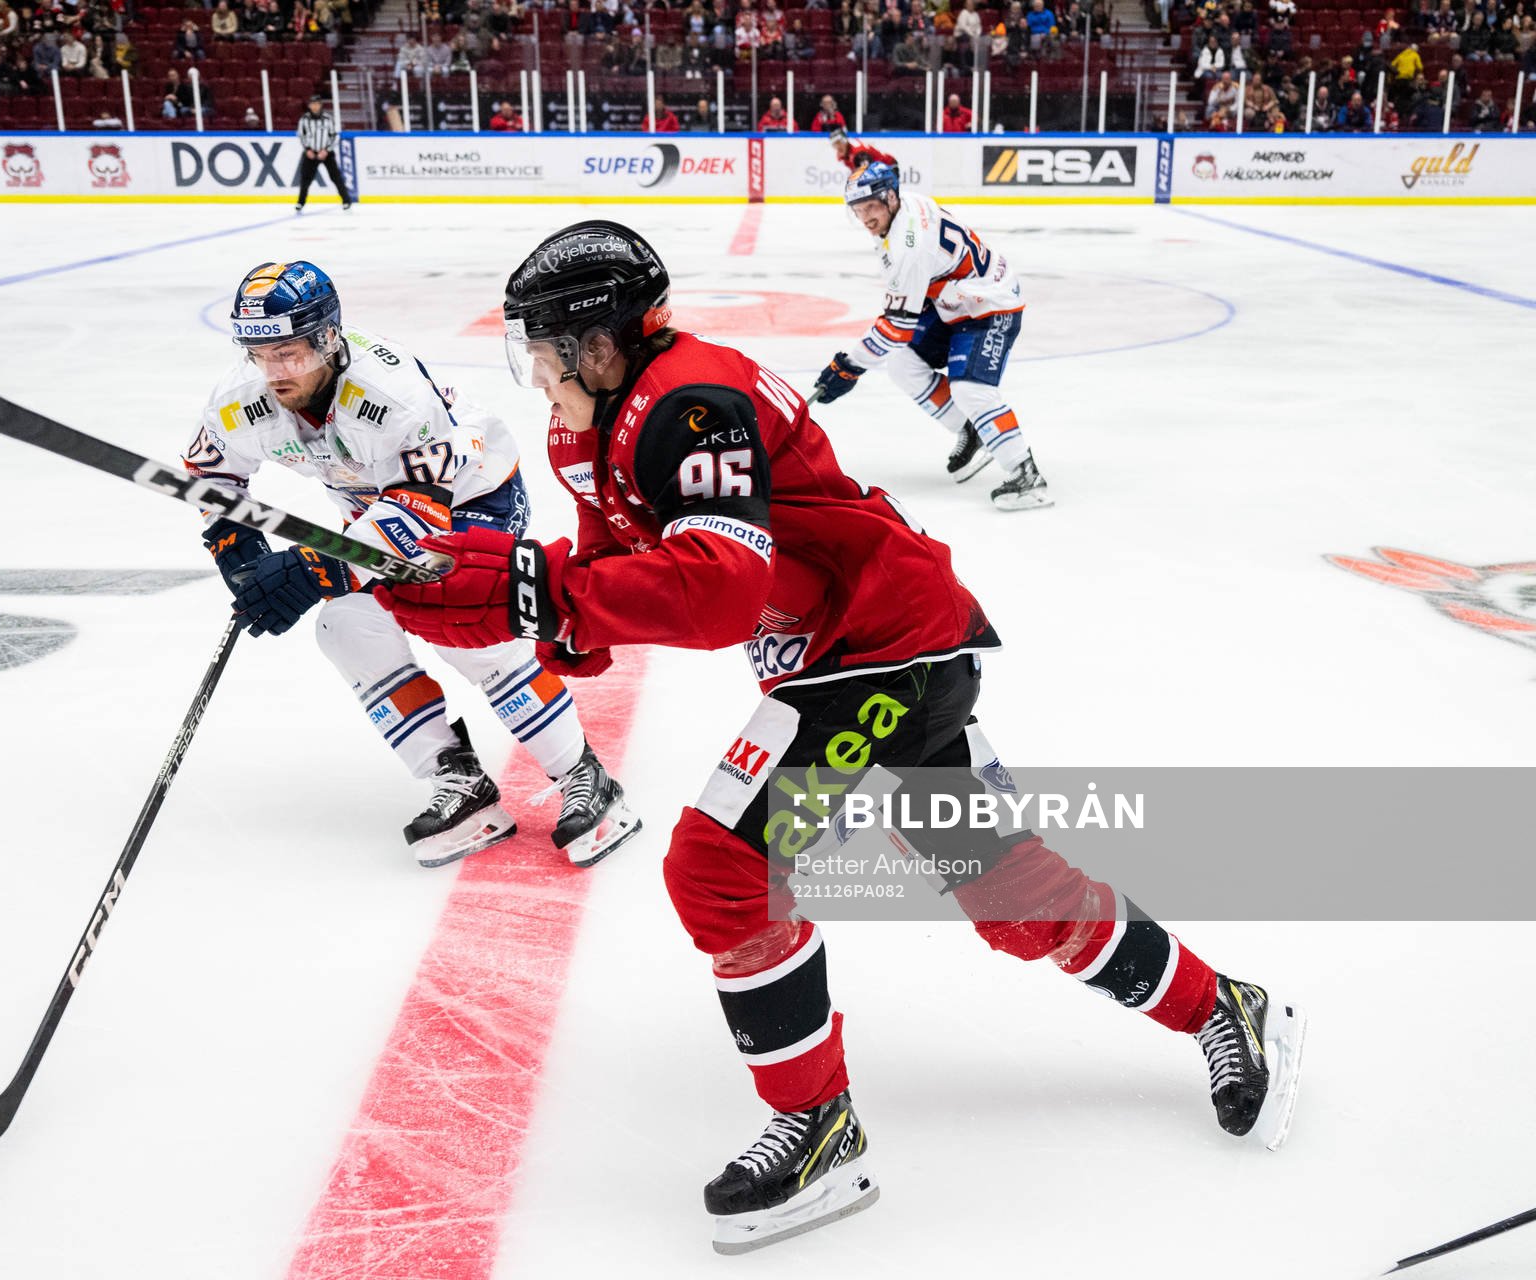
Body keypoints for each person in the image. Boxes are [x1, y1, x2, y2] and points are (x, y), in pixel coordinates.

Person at [375, 220, 1307, 1254]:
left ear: (599, 344)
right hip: (853, 651)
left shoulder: (690, 402)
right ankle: (1227, 1004)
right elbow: (600, 595)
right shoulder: (578, 436)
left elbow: (719, 591)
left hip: (884, 645)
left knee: (719, 863)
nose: (537, 375)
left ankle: (818, 1126)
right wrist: (517, 604)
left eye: (547, 351)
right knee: (1008, 893)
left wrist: (523, 583)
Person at [184, 262, 641, 867]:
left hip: (472, 499)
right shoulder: (241, 399)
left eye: (289, 353)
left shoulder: (389, 394)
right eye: (259, 353)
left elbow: (421, 511)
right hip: (376, 510)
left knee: (463, 626)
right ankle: (458, 778)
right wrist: (239, 555)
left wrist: (314, 567)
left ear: (326, 339)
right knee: (346, 627)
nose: (273, 372)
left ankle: (584, 776)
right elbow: (213, 476)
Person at [812, 162, 1050, 509]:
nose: (865, 218)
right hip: (954, 301)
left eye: (871, 207)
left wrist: (848, 367)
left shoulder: (909, 244)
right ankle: (969, 429)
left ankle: (1026, 474)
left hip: (991, 305)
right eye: (858, 211)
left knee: (971, 389)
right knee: (900, 363)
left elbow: (896, 327)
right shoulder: (903, 211)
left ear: (890, 197)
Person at [294, 95, 354, 213]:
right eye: (312, 104)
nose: (315, 106)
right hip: (310, 152)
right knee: (305, 179)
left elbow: (335, 135)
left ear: (321, 105)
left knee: (336, 177)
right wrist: (307, 149)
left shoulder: (328, 119)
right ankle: (300, 202)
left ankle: (346, 201)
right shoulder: (304, 120)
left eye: (317, 104)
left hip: (327, 153)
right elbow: (301, 135)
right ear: (309, 105)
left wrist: (327, 150)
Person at [830, 126, 894, 169]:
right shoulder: (841, 155)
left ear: (845, 141)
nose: (838, 147)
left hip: (889, 165)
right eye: (835, 144)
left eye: (839, 142)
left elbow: (868, 172)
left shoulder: (858, 150)